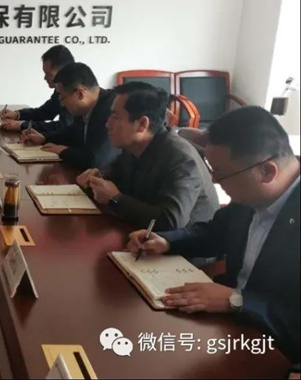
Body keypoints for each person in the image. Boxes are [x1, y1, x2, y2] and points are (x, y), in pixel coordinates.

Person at [127, 106, 299, 365]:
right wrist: (167, 241)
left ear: (266, 172)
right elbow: (216, 232)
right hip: (227, 324)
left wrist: (237, 301)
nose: (214, 180)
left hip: (274, 347)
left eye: (222, 172)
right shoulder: (251, 194)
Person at [77, 82, 217, 231]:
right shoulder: (133, 145)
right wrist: (98, 177)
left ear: (142, 124)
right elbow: (115, 171)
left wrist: (116, 199)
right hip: (142, 235)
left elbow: (170, 221)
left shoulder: (180, 159)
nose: (107, 124)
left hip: (184, 244)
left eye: (115, 117)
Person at [21, 62, 120, 170]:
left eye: (62, 98)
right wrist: (44, 138)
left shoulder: (112, 111)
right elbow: (71, 133)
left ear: (80, 93)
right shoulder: (85, 108)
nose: (62, 104)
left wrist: (63, 151)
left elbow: (95, 160)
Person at [0, 45, 75, 133]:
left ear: (63, 72)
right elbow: (45, 112)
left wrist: (22, 125)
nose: (45, 78)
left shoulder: (74, 93)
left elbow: (63, 127)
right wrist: (17, 114)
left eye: (48, 74)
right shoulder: (61, 89)